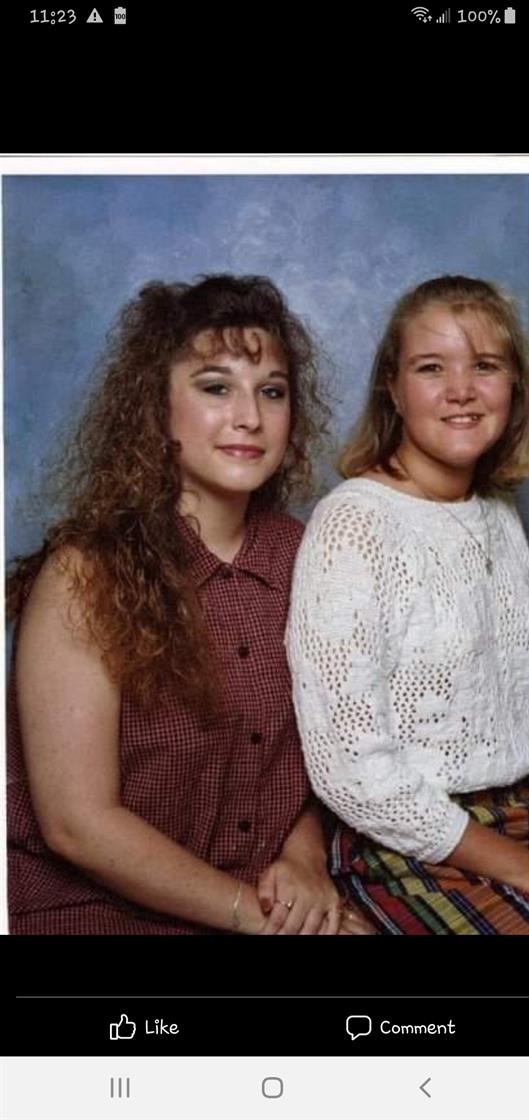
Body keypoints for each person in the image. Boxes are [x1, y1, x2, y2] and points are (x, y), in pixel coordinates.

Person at [7, 273, 369, 936]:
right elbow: (76, 824)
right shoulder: (86, 574)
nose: (249, 417)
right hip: (96, 911)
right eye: (215, 387)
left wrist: (303, 857)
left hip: (263, 893)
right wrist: (257, 921)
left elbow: (323, 753)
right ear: (156, 407)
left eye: (271, 391)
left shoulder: (311, 555)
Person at [286, 275, 529, 935]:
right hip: (407, 842)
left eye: (485, 366)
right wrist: (523, 868)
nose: (461, 390)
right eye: (431, 368)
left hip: (523, 814)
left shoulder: (496, 512)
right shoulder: (354, 524)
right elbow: (350, 770)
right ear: (392, 390)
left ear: (514, 385)